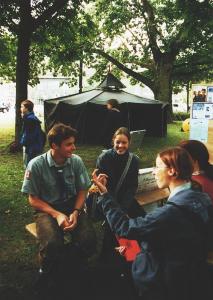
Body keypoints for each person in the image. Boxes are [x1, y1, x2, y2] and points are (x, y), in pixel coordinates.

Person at [93, 146, 213, 300]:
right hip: (189, 270)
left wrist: (105, 194)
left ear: (172, 171)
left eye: (157, 166)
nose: (153, 172)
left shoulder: (170, 213)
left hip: (162, 280)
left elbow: (124, 227)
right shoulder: (201, 197)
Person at [21, 123, 96, 294]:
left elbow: (83, 189)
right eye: (69, 144)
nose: (74, 147)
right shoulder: (36, 165)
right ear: (54, 145)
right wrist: (56, 214)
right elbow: (32, 199)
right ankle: (45, 270)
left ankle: (73, 265)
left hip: (72, 205)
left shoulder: (75, 161)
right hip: (47, 208)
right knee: (52, 244)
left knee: (89, 241)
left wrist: (76, 212)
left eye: (73, 143)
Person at [96, 127, 145, 263]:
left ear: (129, 143)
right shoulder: (104, 158)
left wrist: (123, 208)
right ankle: (108, 259)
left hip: (126, 199)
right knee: (112, 227)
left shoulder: (133, 160)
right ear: (113, 141)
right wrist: (116, 208)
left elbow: (132, 186)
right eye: (118, 142)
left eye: (124, 142)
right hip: (107, 197)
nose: (120, 146)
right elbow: (103, 187)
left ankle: (135, 254)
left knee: (140, 219)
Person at [20, 99, 45, 168]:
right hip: (32, 147)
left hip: (31, 148)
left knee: (29, 166)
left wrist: (23, 143)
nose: (21, 109)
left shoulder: (30, 120)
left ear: (27, 108)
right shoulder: (30, 118)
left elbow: (29, 136)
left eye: (22, 107)